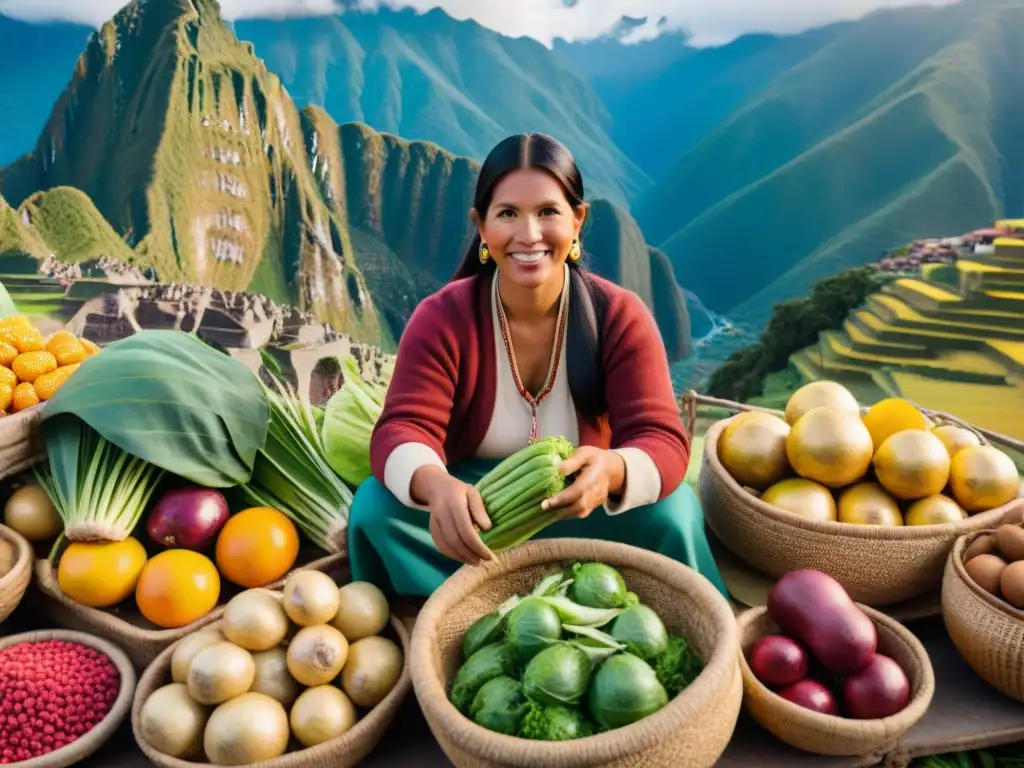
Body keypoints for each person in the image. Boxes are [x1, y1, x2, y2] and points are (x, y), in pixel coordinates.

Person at [346, 132, 728, 599]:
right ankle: (445, 613)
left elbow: (663, 438)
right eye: (508, 213)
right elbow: (402, 427)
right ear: (482, 226)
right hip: (481, 514)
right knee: (374, 508)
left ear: (577, 221)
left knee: (674, 514)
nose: (529, 235)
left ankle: (668, 613)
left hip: (581, 512)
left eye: (548, 211)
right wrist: (437, 486)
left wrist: (612, 470)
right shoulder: (442, 318)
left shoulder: (620, 316)